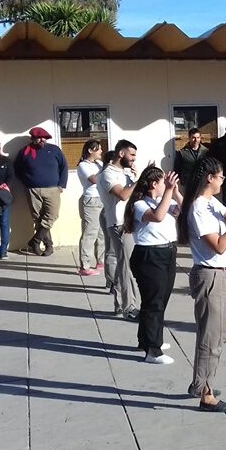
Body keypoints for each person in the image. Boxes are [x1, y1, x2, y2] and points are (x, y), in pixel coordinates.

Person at [177, 157, 226, 412]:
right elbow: (219, 245)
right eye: (220, 176)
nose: (223, 180)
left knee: (221, 333)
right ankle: (206, 393)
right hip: (209, 276)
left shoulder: (211, 203)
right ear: (209, 177)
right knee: (211, 338)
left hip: (223, 274)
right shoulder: (198, 208)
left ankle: (201, 382)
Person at [124, 166, 182, 364]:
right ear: (153, 184)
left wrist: (175, 191)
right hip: (149, 255)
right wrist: (168, 191)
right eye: (162, 181)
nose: (165, 184)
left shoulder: (166, 199)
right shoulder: (139, 204)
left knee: (161, 299)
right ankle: (152, 351)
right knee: (153, 302)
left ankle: (147, 339)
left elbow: (183, 210)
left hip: (167, 252)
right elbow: (157, 216)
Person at [98, 140, 139, 320]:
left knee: (127, 265)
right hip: (118, 224)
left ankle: (124, 303)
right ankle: (127, 306)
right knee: (126, 266)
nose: (134, 159)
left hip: (129, 223)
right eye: (132, 155)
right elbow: (123, 195)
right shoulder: (107, 174)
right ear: (121, 154)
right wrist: (139, 181)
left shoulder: (123, 173)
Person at [13, 127, 68, 255]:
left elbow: (64, 167)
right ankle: (48, 246)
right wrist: (27, 182)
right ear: (33, 138)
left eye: (45, 138)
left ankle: (35, 240)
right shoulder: (24, 152)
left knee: (52, 215)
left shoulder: (54, 150)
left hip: (53, 189)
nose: (43, 140)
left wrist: (61, 185)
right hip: (32, 190)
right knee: (37, 218)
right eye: (39, 138)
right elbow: (17, 170)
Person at [77, 139, 105, 276]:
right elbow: (94, 179)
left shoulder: (99, 164)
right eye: (98, 149)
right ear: (90, 150)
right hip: (91, 201)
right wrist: (105, 172)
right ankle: (85, 265)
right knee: (90, 233)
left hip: (102, 199)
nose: (101, 151)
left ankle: (101, 260)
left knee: (102, 233)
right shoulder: (83, 165)